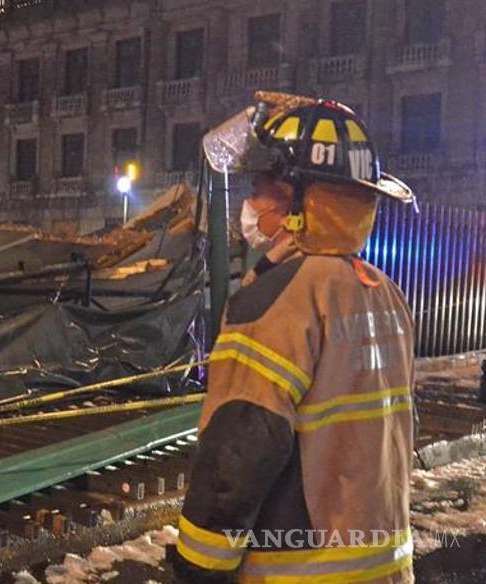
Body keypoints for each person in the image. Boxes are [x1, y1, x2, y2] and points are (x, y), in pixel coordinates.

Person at [169, 95, 417, 583]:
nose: (251, 204)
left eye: (261, 189)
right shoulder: (383, 292)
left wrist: (197, 563)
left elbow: (241, 449)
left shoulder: (280, 298)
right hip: (382, 566)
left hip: (298, 571)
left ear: (299, 201)